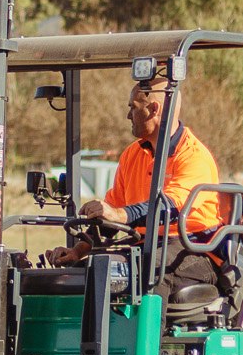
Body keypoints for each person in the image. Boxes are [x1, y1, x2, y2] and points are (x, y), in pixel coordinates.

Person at [44, 69, 225, 266]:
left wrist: (122, 214)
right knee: (90, 270)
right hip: (146, 246)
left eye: (133, 107)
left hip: (192, 249)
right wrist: (77, 251)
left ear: (154, 109)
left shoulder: (194, 156)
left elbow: (171, 208)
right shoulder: (132, 155)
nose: (128, 115)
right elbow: (112, 219)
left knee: (140, 271)